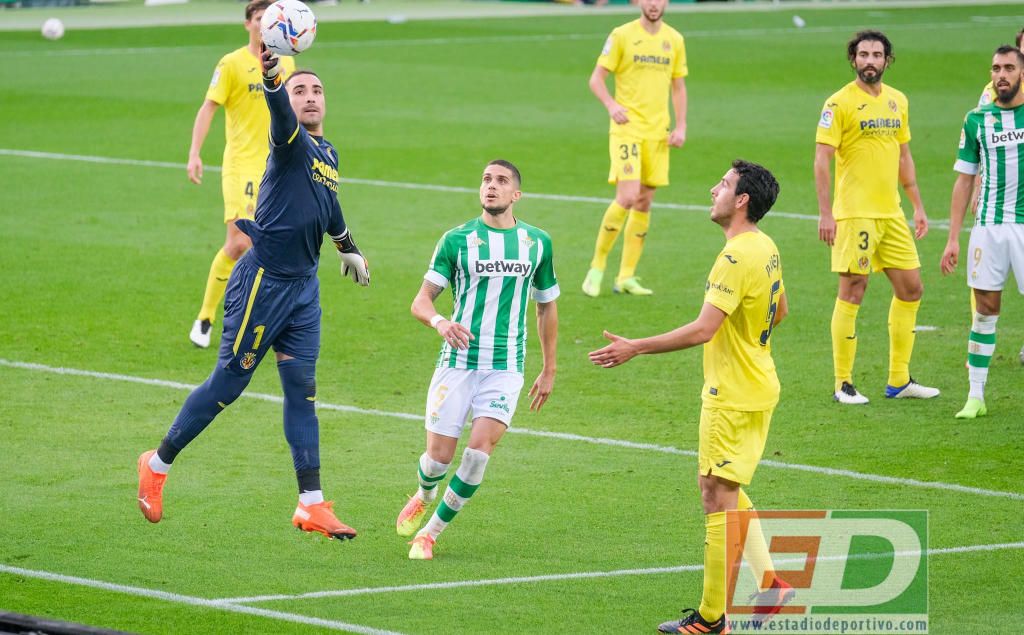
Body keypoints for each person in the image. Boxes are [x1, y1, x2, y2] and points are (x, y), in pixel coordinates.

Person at [136, 47, 370, 540]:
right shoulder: (288, 141)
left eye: (317, 90)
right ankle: (157, 464)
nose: (309, 98)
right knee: (228, 386)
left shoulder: (327, 154)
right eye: (299, 90)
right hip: (263, 283)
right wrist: (270, 78)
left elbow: (329, 205)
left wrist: (347, 246)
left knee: (302, 393)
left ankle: (311, 504)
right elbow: (280, 112)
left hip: (304, 289)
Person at [590, 160, 792, 634]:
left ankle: (710, 618)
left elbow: (704, 329)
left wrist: (634, 347)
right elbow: (780, 310)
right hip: (760, 382)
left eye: (722, 185)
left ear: (741, 200)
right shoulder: (765, 247)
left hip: (733, 394)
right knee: (729, 488)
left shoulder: (736, 256)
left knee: (715, 495)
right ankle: (772, 584)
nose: (712, 189)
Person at [396, 160, 559, 561]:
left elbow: (546, 308)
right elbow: (421, 300)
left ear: (516, 195)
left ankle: (430, 534)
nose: (492, 186)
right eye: (487, 179)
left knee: (477, 453)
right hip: (457, 363)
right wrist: (439, 322)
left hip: (505, 367)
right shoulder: (456, 240)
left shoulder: (537, 244)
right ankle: (424, 491)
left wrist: (549, 367)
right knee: (438, 460)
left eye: (501, 181)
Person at [814, 30, 939, 404]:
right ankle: (843, 384)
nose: (871, 61)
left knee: (911, 288)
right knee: (853, 289)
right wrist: (826, 213)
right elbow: (822, 160)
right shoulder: (838, 104)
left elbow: (904, 156)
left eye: (877, 55)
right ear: (853, 59)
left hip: (891, 214)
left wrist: (916, 204)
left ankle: (899, 380)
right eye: (864, 54)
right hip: (855, 215)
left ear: (888, 60)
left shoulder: (898, 101)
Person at [186, 0, 296, 349]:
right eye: (260, 19)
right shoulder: (231, 64)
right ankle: (205, 318)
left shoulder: (286, 62)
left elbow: (290, 110)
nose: (264, 26)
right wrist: (194, 154)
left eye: (270, 21)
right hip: (241, 166)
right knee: (237, 243)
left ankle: (262, 321)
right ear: (248, 23)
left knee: (277, 247)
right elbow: (209, 107)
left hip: (275, 166)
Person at [581, 0, 687, 297]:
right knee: (627, 196)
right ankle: (597, 267)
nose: (653, 3)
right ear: (637, 2)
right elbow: (596, 79)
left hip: (658, 132)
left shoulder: (674, 40)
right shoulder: (621, 35)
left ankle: (625, 276)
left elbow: (678, 86)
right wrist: (611, 105)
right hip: (627, 129)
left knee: (644, 202)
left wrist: (681, 126)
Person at [941, 46, 1024, 419]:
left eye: (1009, 67)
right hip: (988, 228)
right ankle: (975, 395)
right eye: (995, 68)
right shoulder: (977, 120)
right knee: (985, 310)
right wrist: (953, 237)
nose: (1001, 74)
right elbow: (963, 180)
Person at [972, 27, 1024, 365]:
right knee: (986, 290)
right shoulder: (992, 95)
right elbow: (981, 145)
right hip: (998, 214)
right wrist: (978, 188)